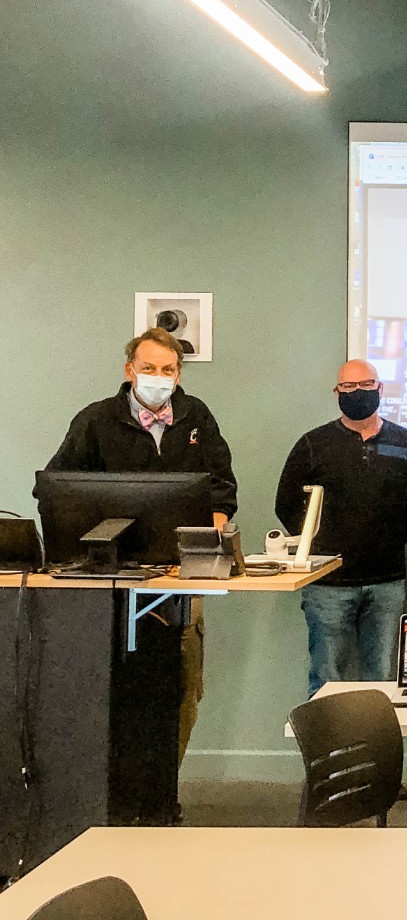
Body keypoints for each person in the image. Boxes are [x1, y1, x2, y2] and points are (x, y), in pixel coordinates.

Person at [44, 328, 237, 765]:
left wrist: (206, 541)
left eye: (168, 370)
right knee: (118, 688)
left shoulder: (197, 418)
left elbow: (222, 490)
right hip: (109, 581)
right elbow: (57, 489)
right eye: (148, 368)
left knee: (183, 685)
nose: (158, 377)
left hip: (180, 581)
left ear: (180, 374)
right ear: (129, 370)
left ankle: (164, 790)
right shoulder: (94, 420)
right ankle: (116, 795)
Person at [276, 359, 407, 699]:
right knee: (326, 678)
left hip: (387, 583)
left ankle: (377, 753)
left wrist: (384, 541)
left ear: (380, 389)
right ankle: (328, 751)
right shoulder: (312, 445)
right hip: (327, 584)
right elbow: (286, 505)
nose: (357, 392)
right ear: (337, 393)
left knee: (382, 682)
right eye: (348, 387)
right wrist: (322, 544)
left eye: (365, 385)